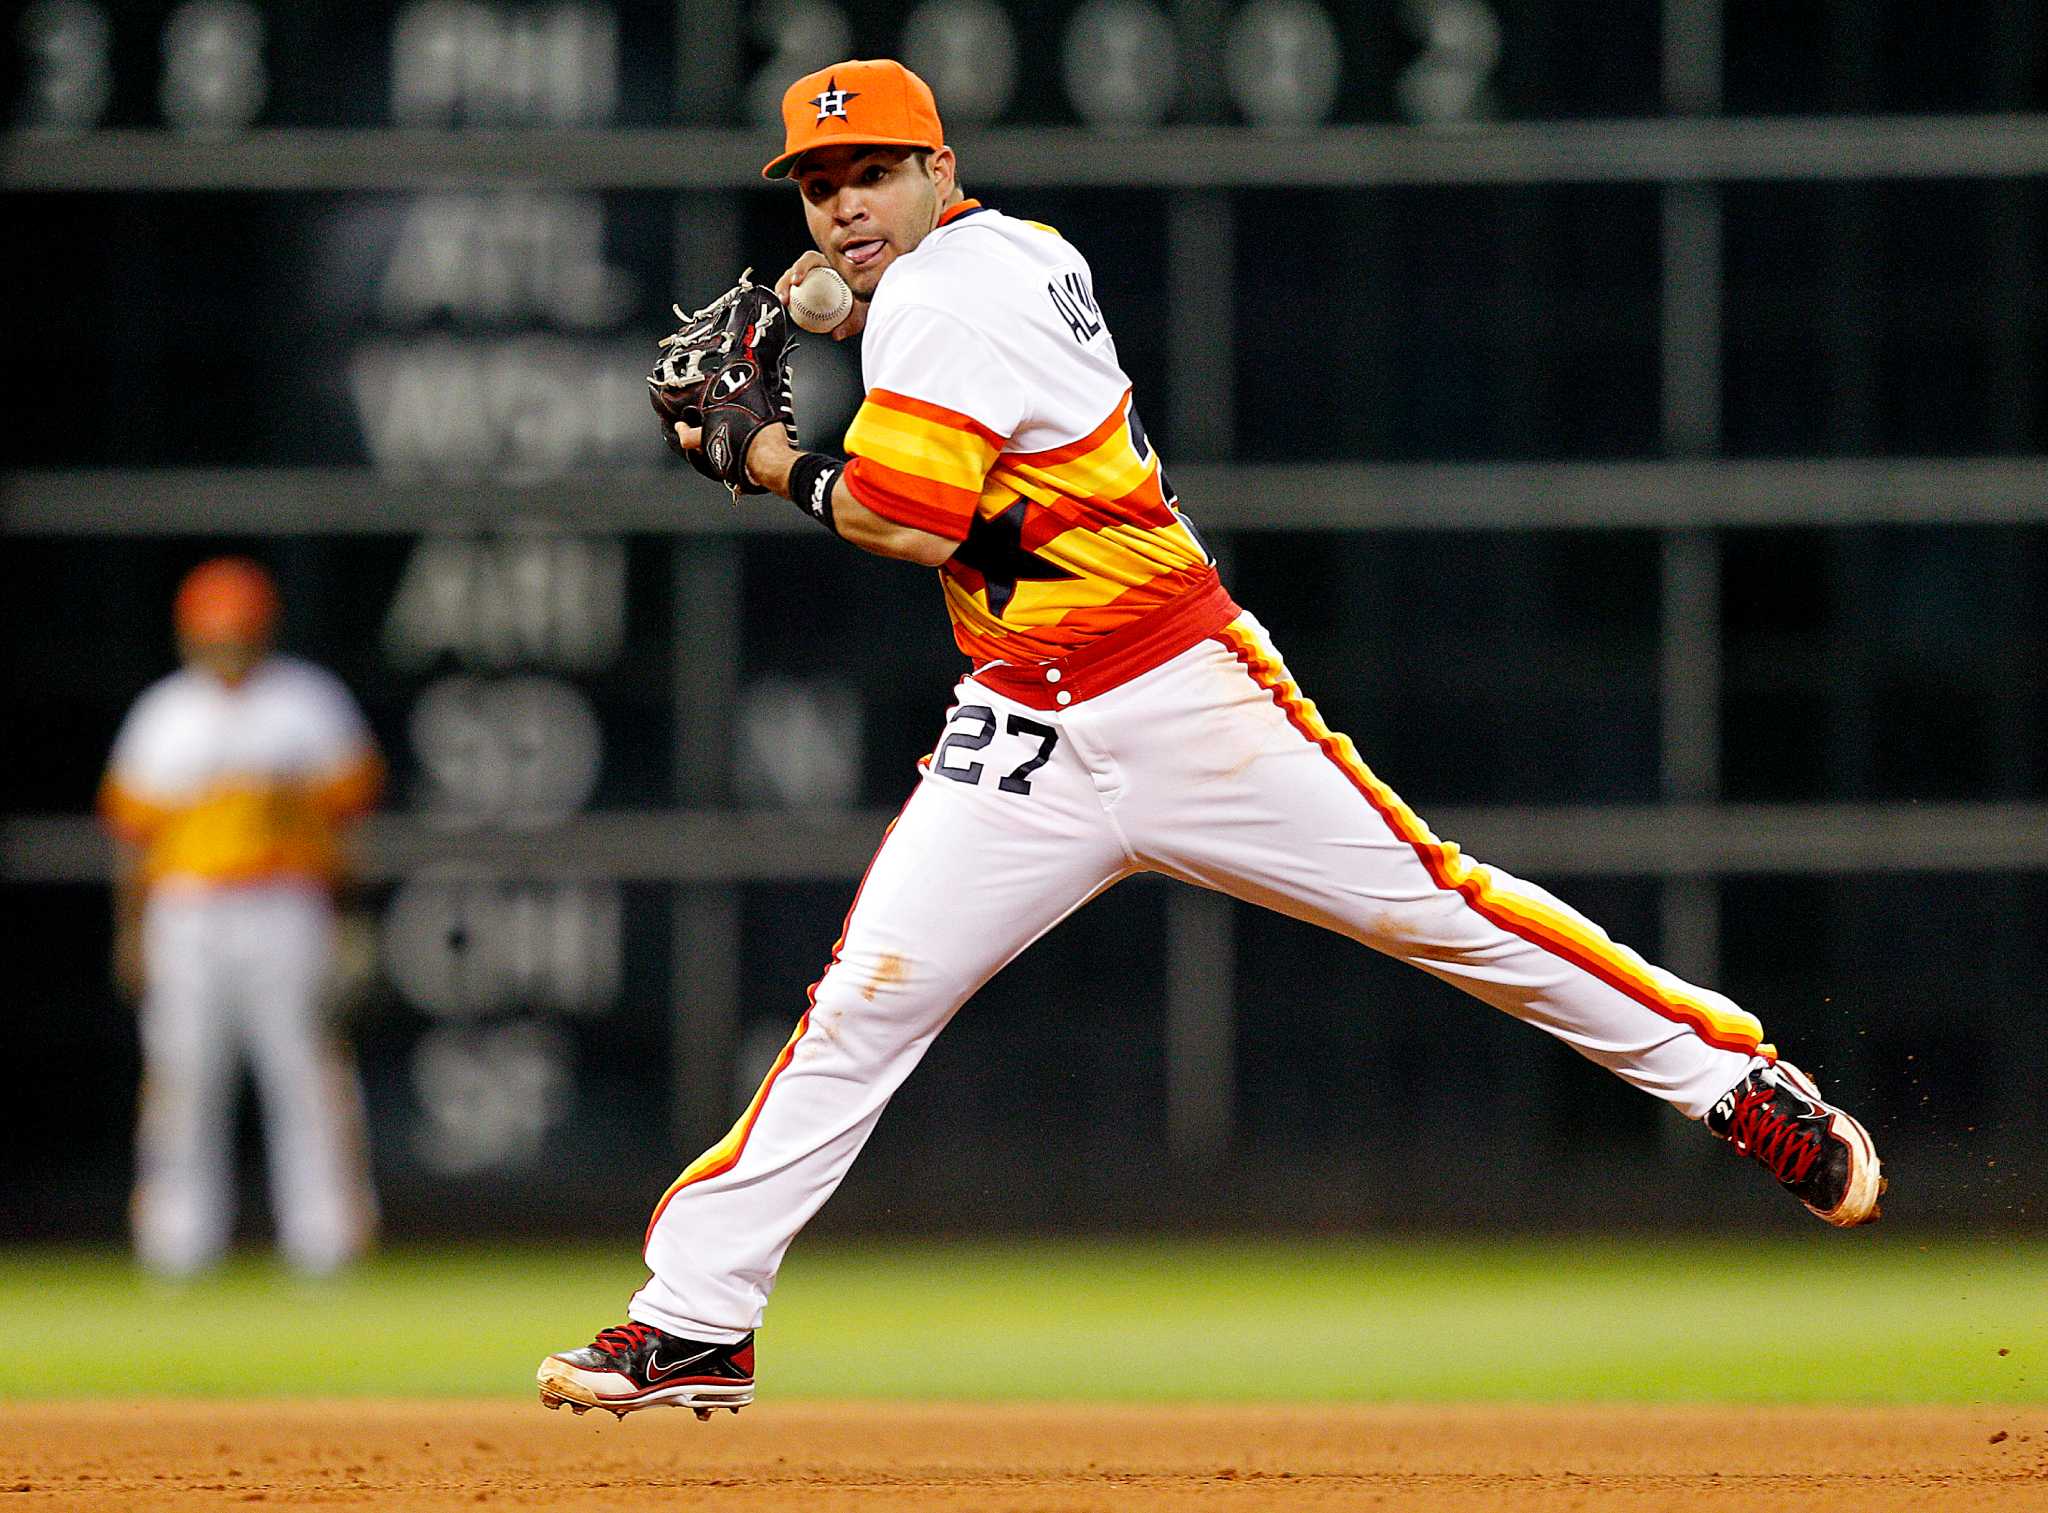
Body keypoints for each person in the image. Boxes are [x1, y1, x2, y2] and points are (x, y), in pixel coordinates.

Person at [538, 59, 1885, 1418]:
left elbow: (910, 515)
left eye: (874, 174)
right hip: (1023, 724)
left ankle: (1736, 1081)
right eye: (821, 188)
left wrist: (757, 454)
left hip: (1179, 693)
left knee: (1438, 908)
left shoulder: (949, 290)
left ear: (943, 172)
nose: (843, 206)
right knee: (861, 1009)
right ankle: (697, 1322)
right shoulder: (1002, 257)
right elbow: (922, 359)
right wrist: (826, 298)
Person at [99, 557, 384, 1276]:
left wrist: (350, 918)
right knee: (182, 1075)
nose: (226, 644)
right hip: (186, 911)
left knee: (304, 1074)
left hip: (286, 906)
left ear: (262, 630)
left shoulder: (307, 702)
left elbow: (349, 826)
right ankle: (175, 1244)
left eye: (237, 630)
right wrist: (131, 932)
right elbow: (132, 841)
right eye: (213, 632)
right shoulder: (164, 712)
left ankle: (325, 1242)